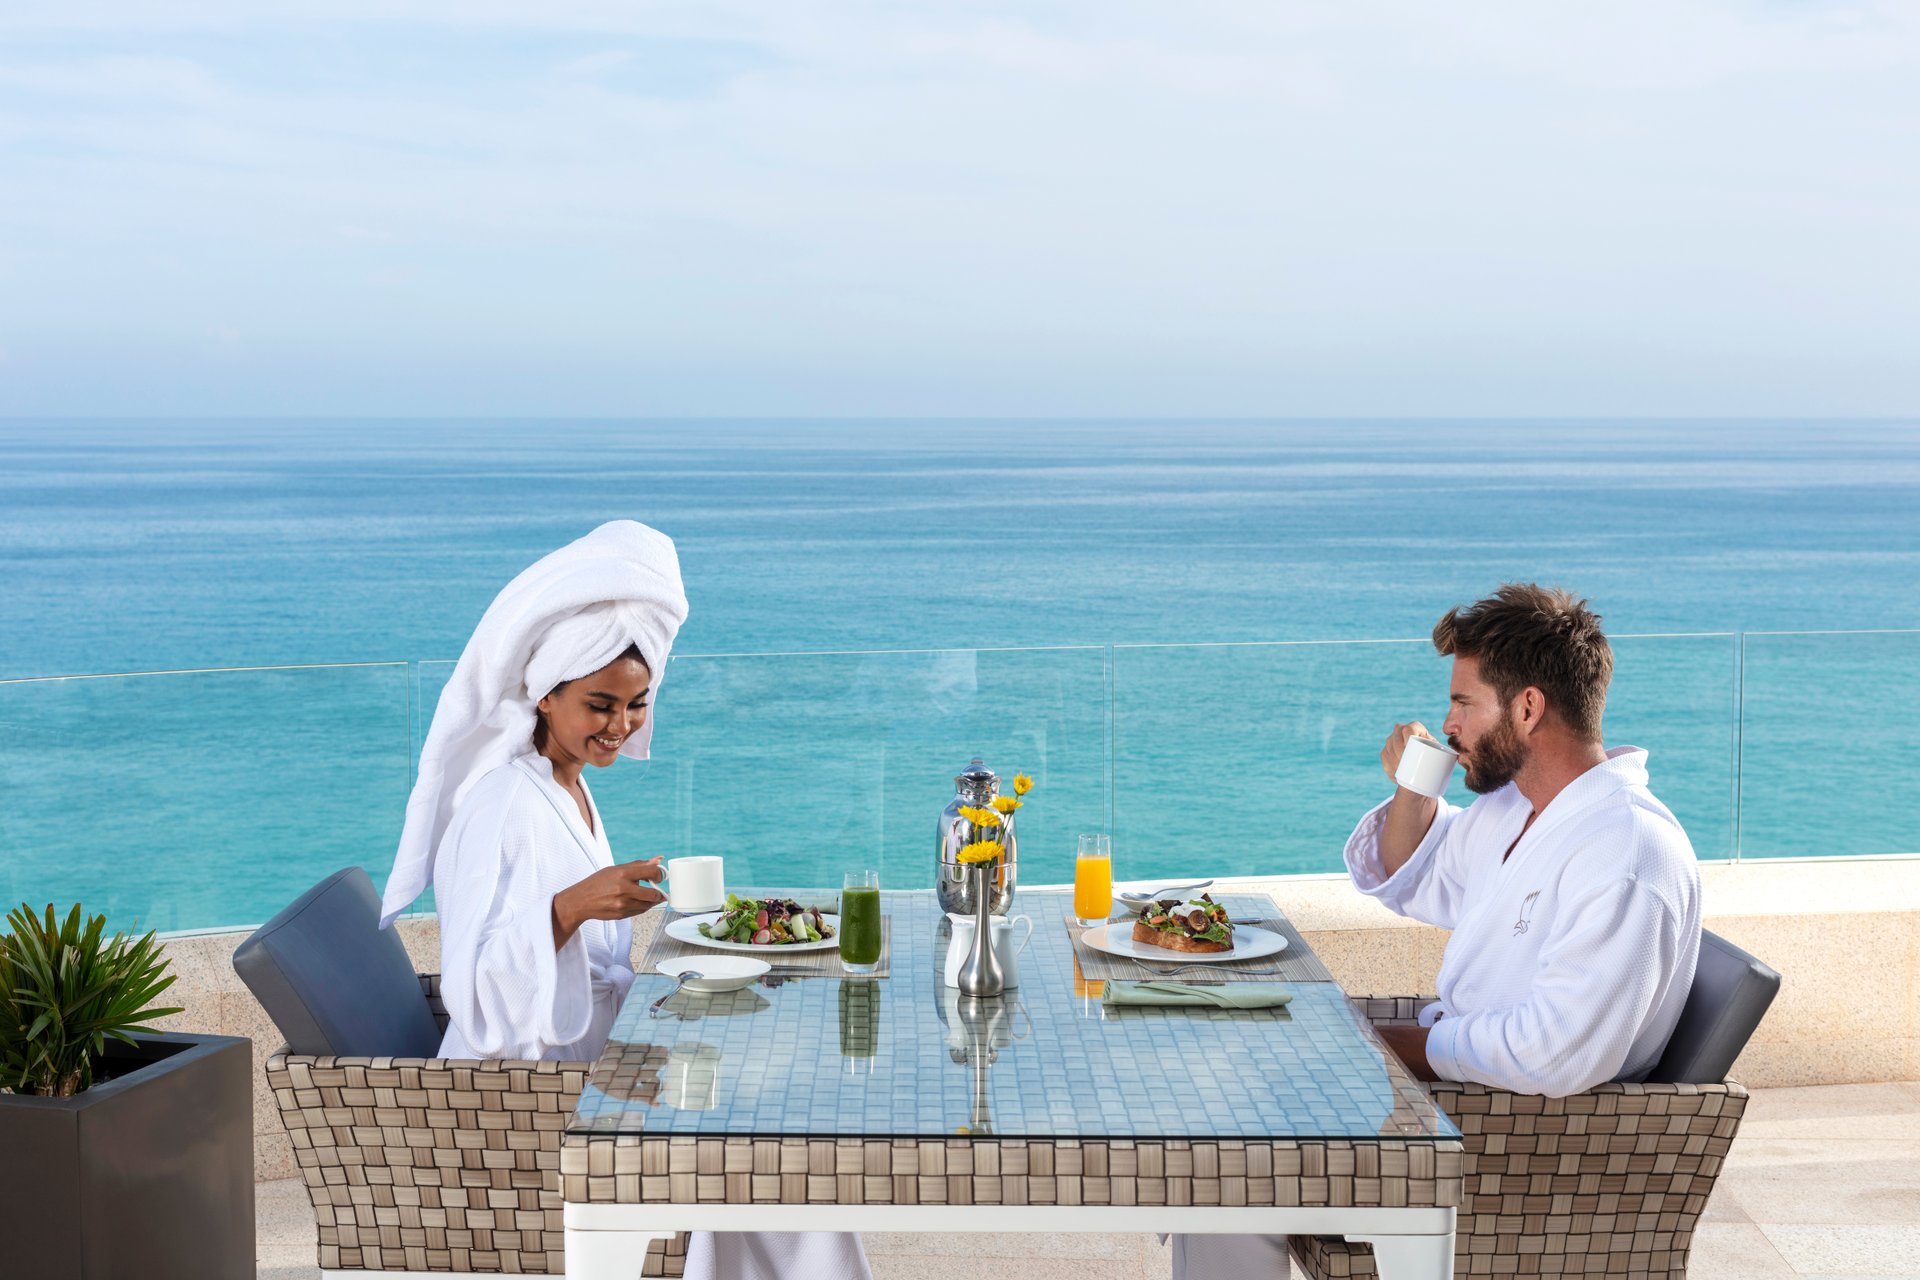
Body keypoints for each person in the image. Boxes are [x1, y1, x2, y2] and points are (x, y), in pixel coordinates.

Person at [378, 520, 871, 1280]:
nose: (619, 726)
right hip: (530, 1098)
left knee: (775, 1106)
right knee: (767, 1143)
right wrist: (569, 908)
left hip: (593, 1062)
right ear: (545, 695)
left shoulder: (565, 787)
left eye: (637, 705)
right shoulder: (502, 805)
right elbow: (471, 992)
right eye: (600, 704)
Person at [1171, 583, 1702, 1279]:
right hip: (1451, 1108)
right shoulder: (1522, 810)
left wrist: (1395, 1048)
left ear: (1529, 707)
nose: (1448, 724)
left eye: (1462, 703)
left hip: (1508, 1152)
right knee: (1219, 1101)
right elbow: (1411, 873)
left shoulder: (1625, 853)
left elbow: (1557, 1056)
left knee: (1226, 1164)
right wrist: (1417, 787)